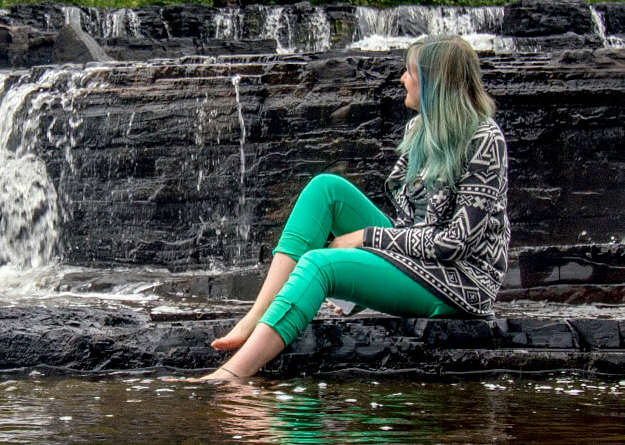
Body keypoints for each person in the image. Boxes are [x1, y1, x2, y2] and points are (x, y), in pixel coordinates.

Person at [195, 34, 510, 381]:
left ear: (434, 80)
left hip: (461, 282)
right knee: (325, 189)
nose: (402, 79)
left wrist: (366, 239)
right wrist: (363, 282)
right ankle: (258, 314)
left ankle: (231, 375)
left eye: (409, 72)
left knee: (319, 264)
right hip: (418, 260)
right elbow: (409, 224)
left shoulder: (484, 138)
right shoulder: (420, 129)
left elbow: (454, 243)